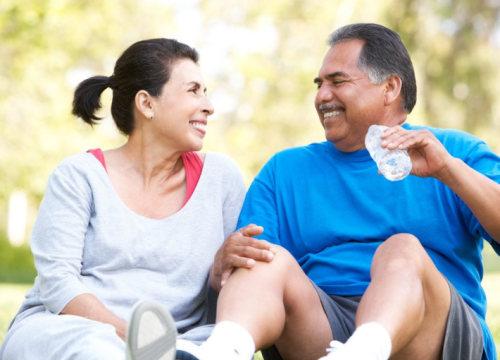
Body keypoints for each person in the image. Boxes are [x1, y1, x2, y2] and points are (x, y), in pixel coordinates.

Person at [167, 23, 500, 360]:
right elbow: (249, 274)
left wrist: (448, 170)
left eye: (338, 82)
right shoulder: (284, 171)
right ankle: (221, 352)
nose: (321, 96)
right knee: (262, 256)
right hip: (325, 329)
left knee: (402, 249)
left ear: (389, 88)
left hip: (431, 328)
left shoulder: (455, 152)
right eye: (320, 84)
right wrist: (223, 267)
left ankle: (364, 351)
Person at [0, 38, 248, 360]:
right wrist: (138, 342)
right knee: (96, 351)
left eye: (205, 91)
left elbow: (233, 280)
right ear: (146, 104)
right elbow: (58, 284)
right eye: (193, 91)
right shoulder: (79, 175)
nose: (209, 105)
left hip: (179, 341)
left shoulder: (222, 178)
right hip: (71, 328)